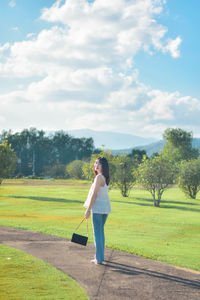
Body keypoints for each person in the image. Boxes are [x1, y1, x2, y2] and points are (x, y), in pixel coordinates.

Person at [84, 157, 111, 265]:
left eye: (98, 164)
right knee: (100, 233)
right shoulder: (104, 177)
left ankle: (99, 258)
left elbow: (94, 195)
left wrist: (88, 210)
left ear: (103, 166)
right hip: (105, 209)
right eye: (95, 163)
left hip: (98, 209)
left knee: (97, 234)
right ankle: (99, 256)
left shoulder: (99, 177)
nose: (96, 165)